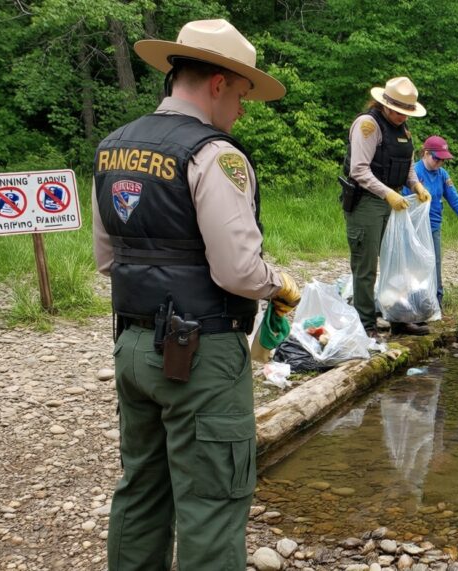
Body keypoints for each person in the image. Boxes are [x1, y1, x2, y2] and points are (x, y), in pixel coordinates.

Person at [90, 19, 300, 570]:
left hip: (132, 349)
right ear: (218, 83)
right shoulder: (216, 155)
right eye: (242, 94)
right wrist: (279, 284)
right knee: (212, 500)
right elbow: (236, 270)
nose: (242, 110)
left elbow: (107, 259)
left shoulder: (112, 149)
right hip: (200, 354)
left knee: (142, 491)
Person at [339, 77, 432, 336]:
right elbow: (359, 170)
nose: (403, 117)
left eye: (407, 113)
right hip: (367, 203)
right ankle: (366, 323)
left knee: (397, 261)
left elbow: (407, 163)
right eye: (399, 112)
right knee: (366, 266)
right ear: (386, 105)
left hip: (395, 203)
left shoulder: (404, 130)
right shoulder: (368, 125)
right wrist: (388, 193)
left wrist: (416, 186)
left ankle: (399, 317)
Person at [401, 136, 458, 307]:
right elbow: (404, 202)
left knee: (434, 264)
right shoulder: (413, 174)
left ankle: (437, 301)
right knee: (416, 265)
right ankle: (416, 302)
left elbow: (455, 199)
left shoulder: (442, 175)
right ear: (426, 153)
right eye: (437, 159)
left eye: (443, 160)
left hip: (434, 227)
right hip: (414, 228)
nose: (440, 164)